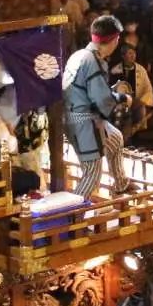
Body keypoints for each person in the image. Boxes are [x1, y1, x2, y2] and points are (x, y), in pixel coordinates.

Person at [63, 15, 131, 198]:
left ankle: (121, 184)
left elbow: (88, 91)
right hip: (84, 121)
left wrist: (111, 93)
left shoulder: (79, 55)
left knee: (115, 139)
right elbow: (102, 100)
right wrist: (122, 97)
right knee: (92, 175)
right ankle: (72, 219)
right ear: (114, 39)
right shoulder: (93, 61)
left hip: (75, 115)